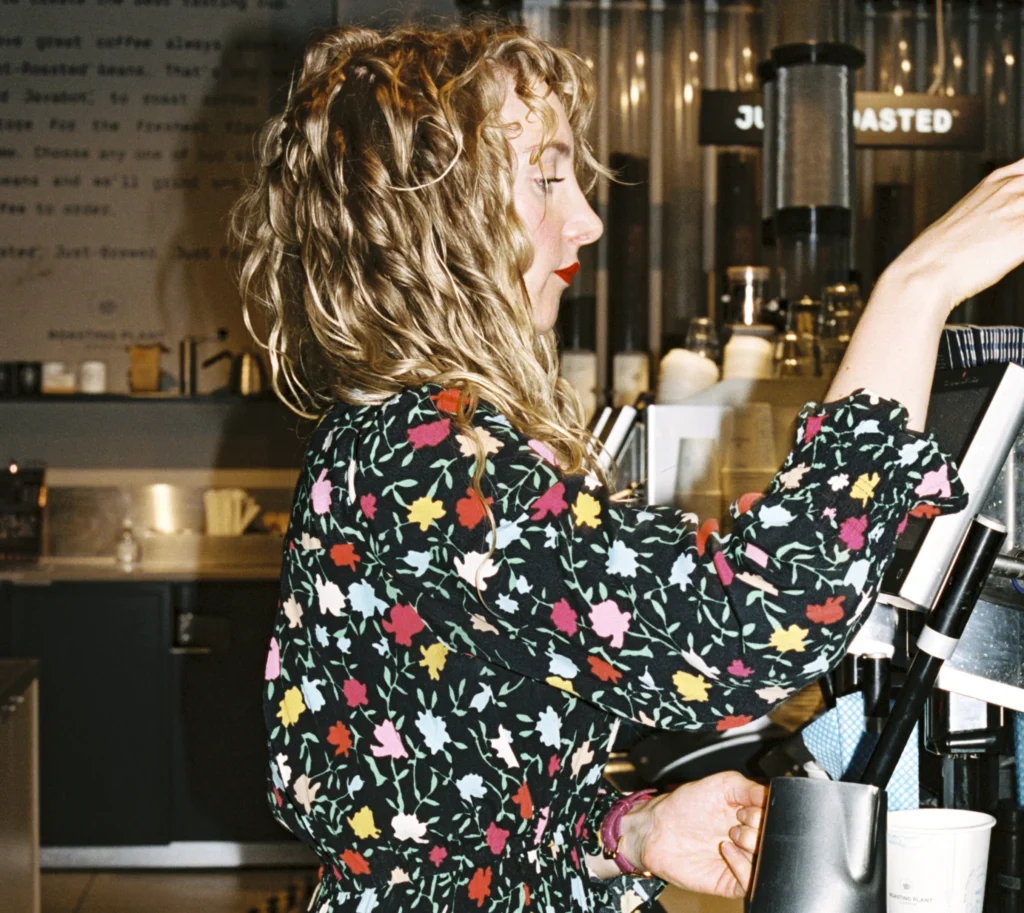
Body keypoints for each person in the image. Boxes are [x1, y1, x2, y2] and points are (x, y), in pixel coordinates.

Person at [231, 21, 1024, 913]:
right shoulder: (439, 458)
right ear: (432, 219)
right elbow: (750, 624)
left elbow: (446, 813)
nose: (590, 218)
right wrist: (917, 286)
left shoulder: (388, 431)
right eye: (543, 177)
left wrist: (631, 832)